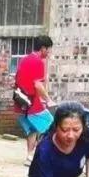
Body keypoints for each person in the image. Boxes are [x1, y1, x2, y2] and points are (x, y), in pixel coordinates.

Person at [14, 35, 54, 165]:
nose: (49, 53)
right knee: (52, 124)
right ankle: (45, 155)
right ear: (43, 48)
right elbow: (37, 85)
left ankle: (30, 157)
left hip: (20, 104)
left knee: (32, 130)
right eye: (48, 50)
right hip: (32, 105)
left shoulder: (24, 59)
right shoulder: (38, 62)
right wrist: (48, 100)